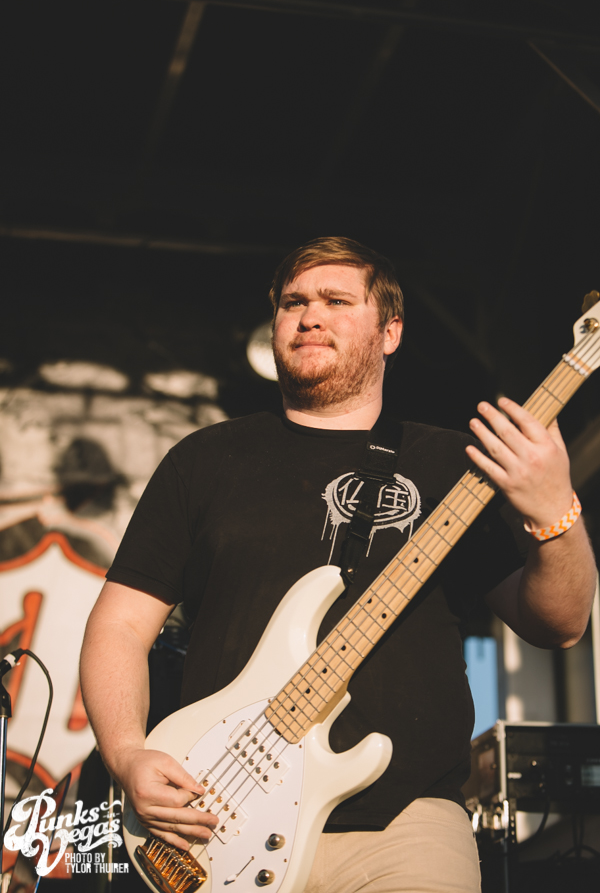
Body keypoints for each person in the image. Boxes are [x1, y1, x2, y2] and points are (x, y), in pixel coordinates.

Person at [80, 237, 596, 893]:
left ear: (390, 332)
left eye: (336, 301)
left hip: (406, 828)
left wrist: (557, 513)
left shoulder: (453, 466)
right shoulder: (204, 460)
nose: (310, 316)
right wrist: (127, 754)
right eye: (293, 302)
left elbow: (560, 623)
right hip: (219, 821)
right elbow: (120, 626)